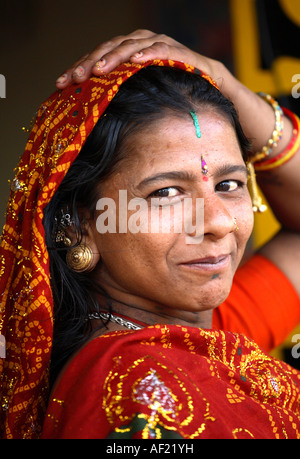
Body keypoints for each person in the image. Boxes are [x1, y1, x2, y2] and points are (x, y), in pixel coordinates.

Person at [0, 31, 300, 439]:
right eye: (166, 193)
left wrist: (222, 81)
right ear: (79, 224)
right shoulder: (132, 391)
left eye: (229, 184)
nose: (218, 223)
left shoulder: (213, 331)